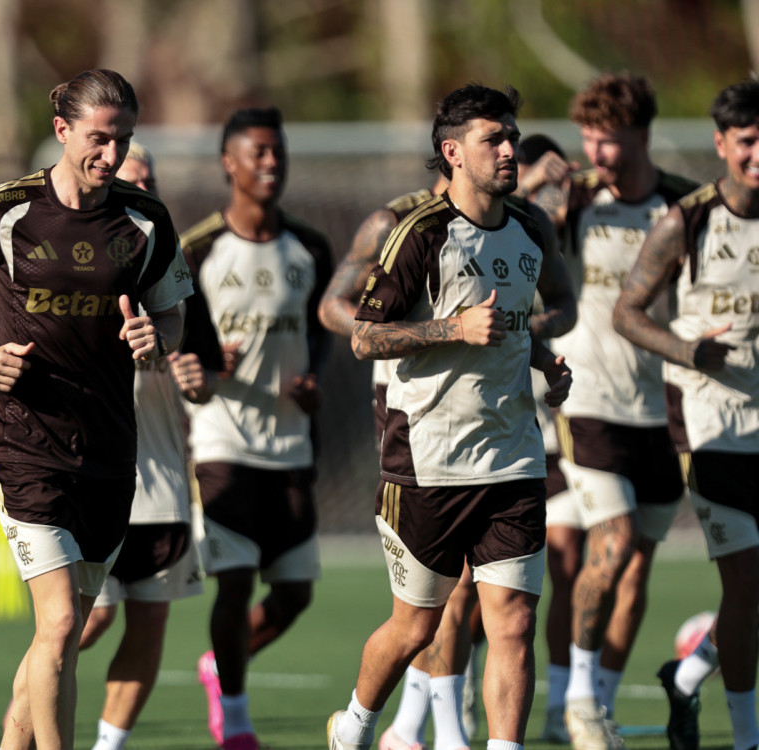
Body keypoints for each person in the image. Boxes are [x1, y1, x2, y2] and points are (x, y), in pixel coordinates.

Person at [0, 69, 191, 750]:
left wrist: (156, 339)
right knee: (62, 624)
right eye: (100, 138)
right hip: (23, 443)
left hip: (107, 450)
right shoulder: (6, 209)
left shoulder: (144, 219)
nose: (113, 153)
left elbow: (173, 316)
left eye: (123, 139)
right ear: (63, 130)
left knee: (62, 635)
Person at [325, 84, 575, 750]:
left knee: (513, 623)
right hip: (428, 459)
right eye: (493, 138)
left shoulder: (531, 228)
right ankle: (354, 727)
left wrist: (544, 358)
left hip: (515, 454)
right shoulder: (417, 232)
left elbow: (549, 307)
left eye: (512, 136)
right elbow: (364, 337)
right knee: (417, 628)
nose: (510, 149)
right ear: (452, 152)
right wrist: (450, 329)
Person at [528, 73, 700, 749]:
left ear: (641, 135)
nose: (595, 154)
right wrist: (547, 203)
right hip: (588, 400)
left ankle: (595, 705)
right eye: (588, 140)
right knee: (613, 538)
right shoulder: (574, 202)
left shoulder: (686, 206)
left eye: (608, 141)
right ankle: (572, 700)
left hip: (665, 410)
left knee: (637, 569)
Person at [181, 106, 333, 750]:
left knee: (295, 592)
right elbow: (177, 343)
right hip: (221, 438)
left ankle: (221, 664)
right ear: (229, 163)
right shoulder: (198, 250)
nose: (272, 163)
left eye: (279, 151)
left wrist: (313, 380)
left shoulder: (312, 248)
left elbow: (326, 327)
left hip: (290, 440)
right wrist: (202, 364)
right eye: (258, 152)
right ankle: (237, 719)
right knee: (236, 579)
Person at [614, 79, 759, 750]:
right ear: (722, 144)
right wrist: (687, 350)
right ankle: (748, 738)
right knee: (748, 581)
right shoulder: (688, 220)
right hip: (709, 423)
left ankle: (688, 674)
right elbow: (628, 311)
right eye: (750, 143)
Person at [319, 175, 483, 750]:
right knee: (447, 589)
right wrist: (400, 333)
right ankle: (443, 732)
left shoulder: (504, 223)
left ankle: (413, 726)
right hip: (409, 416)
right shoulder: (395, 222)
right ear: (453, 152)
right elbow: (334, 309)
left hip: (483, 420)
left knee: (482, 594)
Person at [76, 142, 208, 750]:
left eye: (150, 174)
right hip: (93, 479)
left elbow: (200, 363)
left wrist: (197, 376)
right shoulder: (79, 263)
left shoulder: (171, 264)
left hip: (161, 484)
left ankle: (109, 745)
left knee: (150, 625)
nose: (144, 182)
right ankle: (22, 727)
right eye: (135, 173)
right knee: (84, 621)